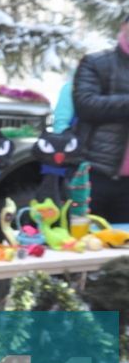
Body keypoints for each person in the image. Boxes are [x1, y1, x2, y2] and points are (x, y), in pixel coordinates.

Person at [73, 14, 129, 224]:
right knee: (83, 248)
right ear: (124, 25)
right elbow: (85, 105)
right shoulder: (96, 63)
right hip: (96, 174)